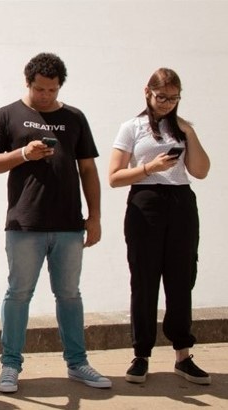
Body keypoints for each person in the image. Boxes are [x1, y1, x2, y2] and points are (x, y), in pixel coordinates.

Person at [0, 52, 111, 393]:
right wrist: (24, 153)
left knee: (69, 295)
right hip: (25, 224)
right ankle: (10, 366)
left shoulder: (75, 117)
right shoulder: (7, 115)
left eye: (52, 90)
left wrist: (95, 217)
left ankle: (77, 363)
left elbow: (88, 169)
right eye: (39, 89)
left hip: (69, 224)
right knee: (18, 294)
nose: (45, 96)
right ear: (28, 82)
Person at [108, 68, 211, 385]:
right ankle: (141, 355)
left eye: (174, 98)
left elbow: (200, 171)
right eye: (161, 97)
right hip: (145, 201)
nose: (167, 103)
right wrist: (150, 167)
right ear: (147, 92)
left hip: (181, 202)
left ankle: (183, 355)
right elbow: (114, 177)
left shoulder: (182, 128)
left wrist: (188, 131)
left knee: (182, 278)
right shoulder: (132, 127)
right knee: (144, 279)